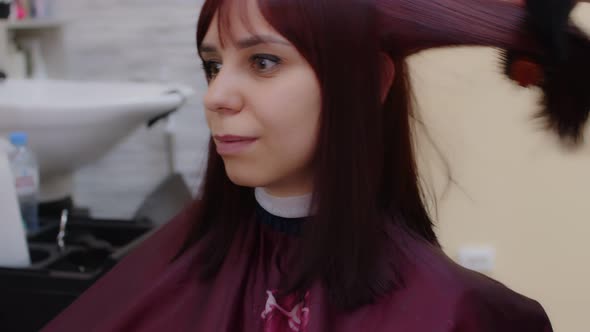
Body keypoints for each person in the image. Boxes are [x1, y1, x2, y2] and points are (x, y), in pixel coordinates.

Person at [42, 0, 589, 331]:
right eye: (212, 65)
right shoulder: (164, 275)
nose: (216, 96)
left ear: (369, 82)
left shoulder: (462, 316)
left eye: (262, 61)